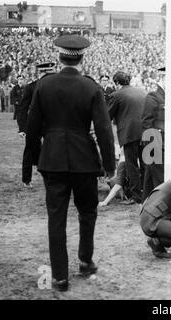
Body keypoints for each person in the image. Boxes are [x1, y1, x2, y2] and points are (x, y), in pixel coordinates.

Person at [25, 35, 116, 292]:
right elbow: (104, 130)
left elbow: (32, 128)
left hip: (52, 159)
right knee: (87, 213)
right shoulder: (91, 87)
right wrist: (109, 164)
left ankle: (60, 277)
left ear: (59, 57)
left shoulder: (45, 85)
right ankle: (85, 260)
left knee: (56, 218)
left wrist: (35, 157)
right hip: (84, 160)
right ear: (82, 58)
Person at [108, 71, 147, 204]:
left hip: (129, 134)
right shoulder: (142, 91)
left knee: (131, 165)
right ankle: (146, 193)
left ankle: (135, 197)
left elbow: (108, 115)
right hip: (145, 132)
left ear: (117, 83)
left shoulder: (116, 95)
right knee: (144, 164)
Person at [18, 62, 56, 187]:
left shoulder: (31, 87)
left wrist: (22, 128)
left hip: (35, 124)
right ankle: (53, 178)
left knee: (29, 151)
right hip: (50, 124)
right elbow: (23, 109)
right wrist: (22, 128)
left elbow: (22, 109)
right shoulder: (33, 87)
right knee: (53, 150)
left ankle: (27, 180)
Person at [141, 66, 169, 201]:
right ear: (163, 78)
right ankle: (160, 206)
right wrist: (152, 146)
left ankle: (146, 202)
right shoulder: (153, 96)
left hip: (166, 142)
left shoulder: (170, 95)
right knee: (160, 177)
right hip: (155, 141)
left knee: (151, 175)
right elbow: (146, 122)